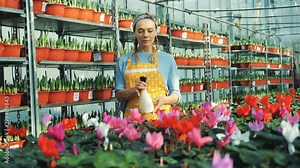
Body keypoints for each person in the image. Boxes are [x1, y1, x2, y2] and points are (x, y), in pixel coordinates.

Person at [115, 13, 181, 120]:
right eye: (140, 31)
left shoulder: (167, 59)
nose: (145, 35)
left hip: (161, 119)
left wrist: (165, 100)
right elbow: (118, 94)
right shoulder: (123, 61)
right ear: (135, 33)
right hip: (133, 120)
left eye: (150, 31)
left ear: (156, 32)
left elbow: (176, 94)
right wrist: (133, 90)